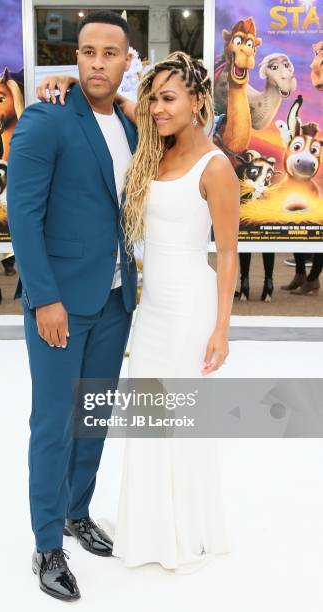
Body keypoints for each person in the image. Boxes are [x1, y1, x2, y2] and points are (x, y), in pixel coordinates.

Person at [37, 49, 239, 573]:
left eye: (169, 99)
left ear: (199, 102)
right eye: (153, 99)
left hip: (191, 306)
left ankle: (184, 530)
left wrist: (222, 328)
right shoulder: (153, 145)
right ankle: (149, 528)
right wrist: (63, 80)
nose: (157, 108)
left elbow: (230, 254)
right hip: (147, 310)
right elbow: (111, 102)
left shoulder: (216, 168)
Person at [7, 11, 137, 602]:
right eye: (88, 52)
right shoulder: (47, 117)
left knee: (93, 417)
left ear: (126, 60)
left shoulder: (134, 128)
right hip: (61, 303)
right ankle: (46, 544)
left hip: (115, 299)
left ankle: (76, 513)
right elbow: (23, 217)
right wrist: (45, 299)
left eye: (111, 53)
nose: (98, 62)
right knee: (53, 424)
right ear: (75, 57)